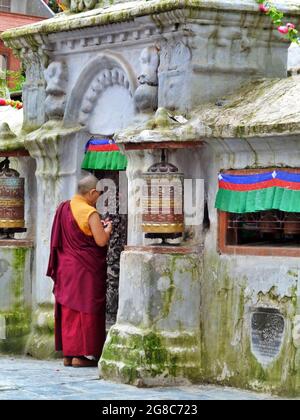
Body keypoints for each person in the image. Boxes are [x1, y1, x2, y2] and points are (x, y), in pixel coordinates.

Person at [47, 174, 113, 367]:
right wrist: (107, 230)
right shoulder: (90, 213)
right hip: (85, 271)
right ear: (92, 193)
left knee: (69, 309)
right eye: (98, 195)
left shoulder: (64, 208)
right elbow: (101, 241)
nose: (98, 200)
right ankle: (81, 355)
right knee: (86, 308)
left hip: (65, 269)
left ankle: (69, 354)